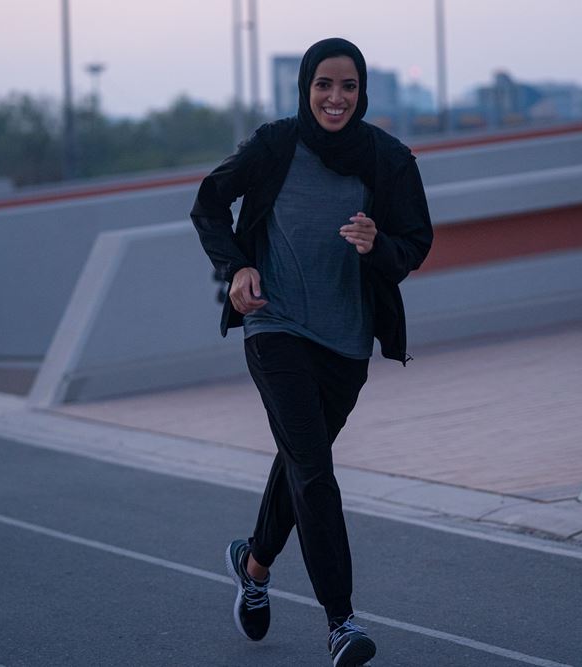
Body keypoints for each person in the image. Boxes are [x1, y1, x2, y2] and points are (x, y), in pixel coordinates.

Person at [191, 37, 433, 666]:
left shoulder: (387, 158)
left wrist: (378, 244)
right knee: (316, 474)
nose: (335, 97)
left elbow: (414, 244)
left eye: (348, 86)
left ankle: (253, 565)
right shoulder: (275, 145)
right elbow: (209, 202)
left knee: (303, 461)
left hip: (347, 343)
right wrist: (237, 267)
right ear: (306, 88)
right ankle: (341, 623)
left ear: (362, 92)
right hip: (274, 328)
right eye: (324, 84)